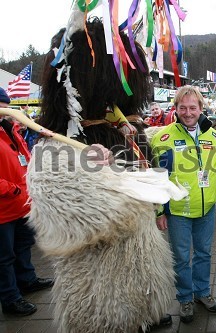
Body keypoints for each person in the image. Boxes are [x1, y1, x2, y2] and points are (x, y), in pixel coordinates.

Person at [28, 18, 178, 332]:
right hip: (98, 298)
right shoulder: (54, 151)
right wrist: (107, 176)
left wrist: (139, 144)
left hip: (139, 284)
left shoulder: (119, 133)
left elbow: (147, 171)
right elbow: (93, 218)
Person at [151, 85, 216, 323]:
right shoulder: (163, 138)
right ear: (176, 109)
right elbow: (158, 177)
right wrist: (160, 211)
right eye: (183, 107)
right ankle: (185, 298)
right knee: (181, 257)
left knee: (203, 253)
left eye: (193, 107)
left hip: (206, 209)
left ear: (201, 108)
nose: (188, 112)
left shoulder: (213, 136)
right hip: (178, 211)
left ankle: (202, 292)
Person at [0, 87, 54, 317]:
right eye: (3, 106)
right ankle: (10, 298)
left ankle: (27, 280)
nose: (7, 110)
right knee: (4, 257)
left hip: (23, 204)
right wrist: (11, 190)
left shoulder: (13, 131)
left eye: (6, 105)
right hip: (4, 207)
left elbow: (26, 160)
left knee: (23, 246)